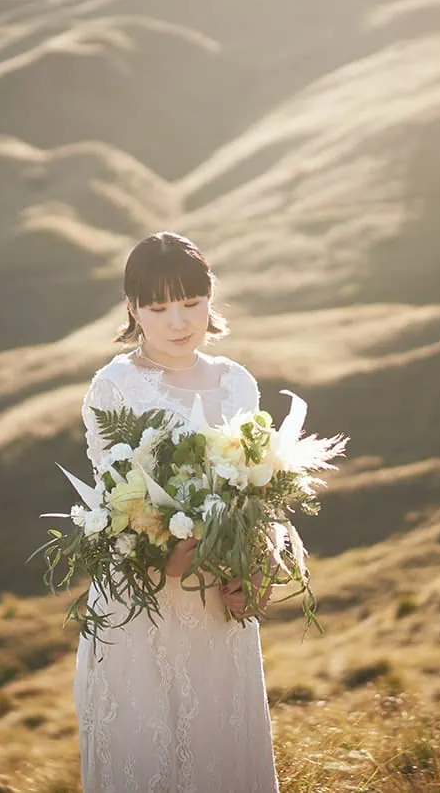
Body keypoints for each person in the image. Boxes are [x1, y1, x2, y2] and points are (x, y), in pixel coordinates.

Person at [73, 231, 279, 793]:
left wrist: (253, 568)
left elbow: (257, 500)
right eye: (158, 307)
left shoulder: (237, 383)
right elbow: (113, 504)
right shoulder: (114, 386)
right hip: (141, 608)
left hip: (218, 608)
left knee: (220, 754)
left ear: (210, 299)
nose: (178, 321)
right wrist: (161, 559)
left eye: (191, 303)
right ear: (133, 309)